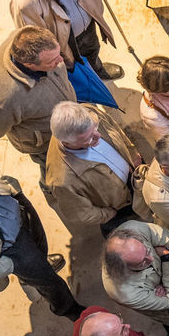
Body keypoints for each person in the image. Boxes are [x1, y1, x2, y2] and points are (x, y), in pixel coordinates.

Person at [0, 158, 83, 320]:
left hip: (21, 210)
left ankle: (31, 275)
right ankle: (71, 311)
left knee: (40, 249)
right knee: (52, 284)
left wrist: (14, 189)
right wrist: (10, 264)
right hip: (13, 251)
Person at [0, 26, 75, 180]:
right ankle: (50, 192)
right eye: (52, 60)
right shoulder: (6, 96)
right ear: (30, 65)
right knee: (53, 174)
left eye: (59, 54)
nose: (61, 61)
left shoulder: (25, 36)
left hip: (64, 118)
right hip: (46, 142)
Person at [44, 101, 145, 236]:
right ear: (68, 142)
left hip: (132, 177)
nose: (98, 136)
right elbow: (81, 213)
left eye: (96, 128)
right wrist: (108, 214)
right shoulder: (62, 180)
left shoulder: (90, 111)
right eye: (89, 139)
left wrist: (131, 152)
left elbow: (115, 128)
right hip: (118, 207)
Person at [101, 221, 169, 332]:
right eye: (142, 262)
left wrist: (166, 279)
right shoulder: (124, 292)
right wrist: (166, 256)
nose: (151, 259)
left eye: (148, 251)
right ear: (123, 268)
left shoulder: (134, 228)